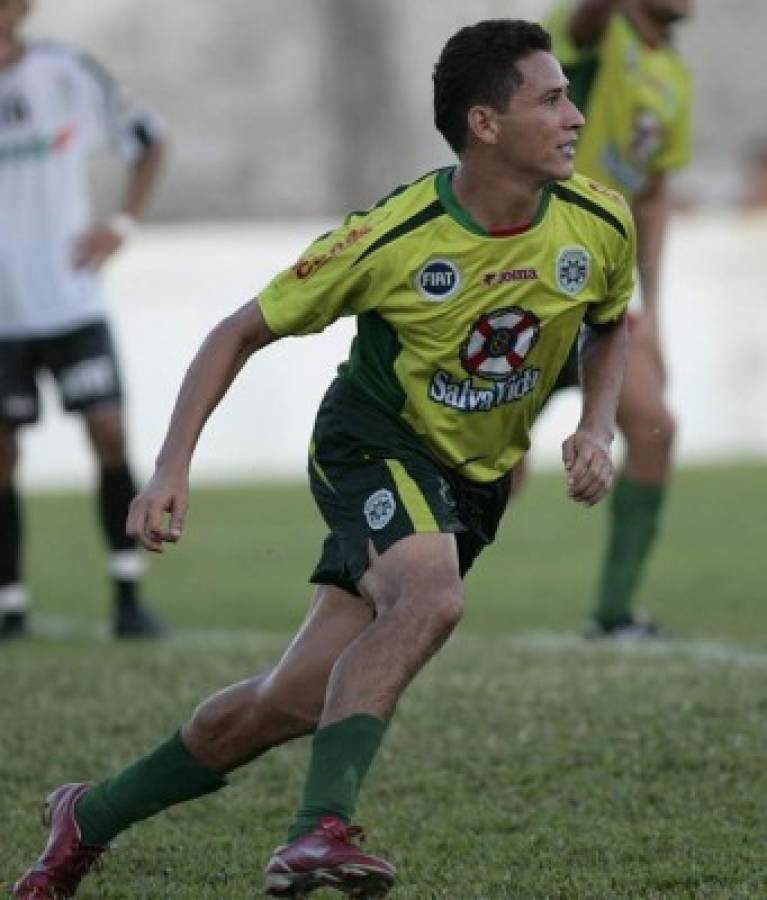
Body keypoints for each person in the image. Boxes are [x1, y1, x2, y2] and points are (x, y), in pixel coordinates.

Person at [12, 18, 635, 899]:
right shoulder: (394, 234)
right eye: (551, 98)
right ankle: (318, 834)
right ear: (485, 125)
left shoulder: (598, 220)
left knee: (292, 701)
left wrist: (593, 428)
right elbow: (238, 331)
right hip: (371, 440)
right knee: (430, 596)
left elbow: (611, 320)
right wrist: (170, 467)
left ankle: (92, 814)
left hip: (474, 481)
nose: (573, 116)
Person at [0, 0, 166, 638]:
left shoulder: (65, 72)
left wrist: (120, 224)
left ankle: (128, 595)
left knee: (107, 432)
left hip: (71, 303)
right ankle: (10, 607)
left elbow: (149, 139)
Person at [540, 0, 693, 637]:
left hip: (603, 290)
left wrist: (653, 313)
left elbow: (652, 197)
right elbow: (582, 24)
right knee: (493, 468)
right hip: (536, 276)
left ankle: (611, 614)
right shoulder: (598, 32)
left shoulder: (676, 77)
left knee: (654, 426)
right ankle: (395, 597)